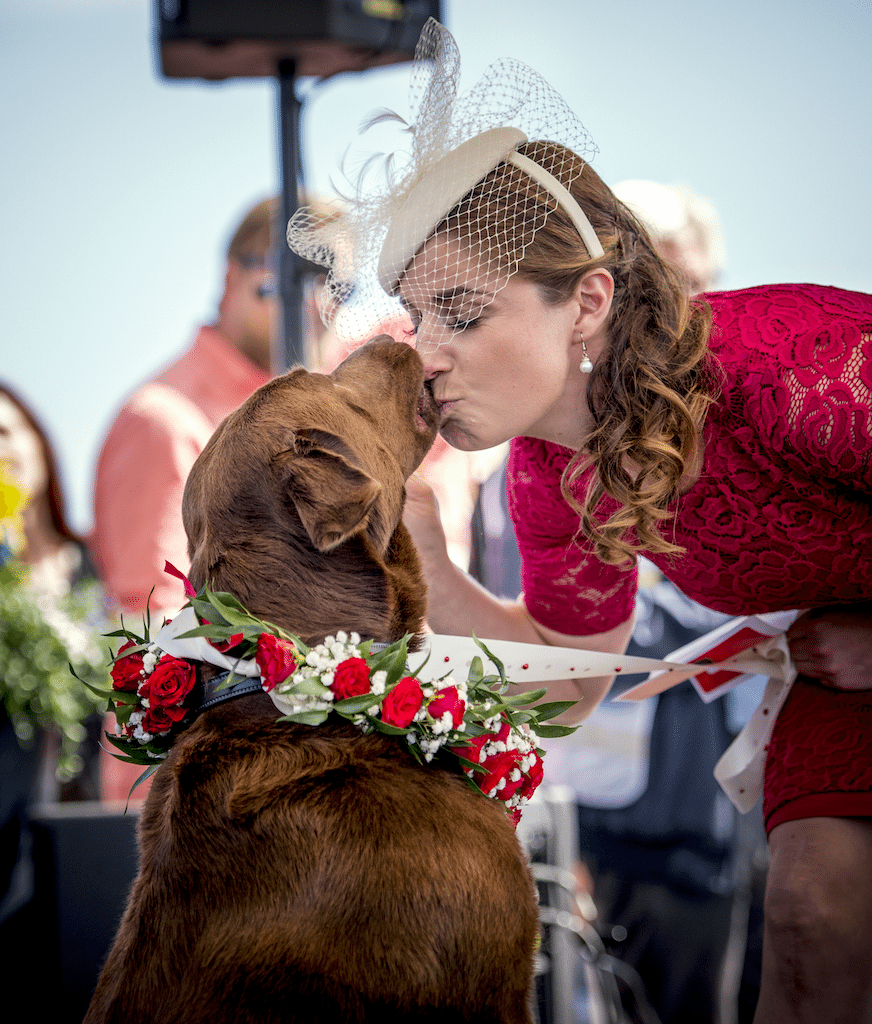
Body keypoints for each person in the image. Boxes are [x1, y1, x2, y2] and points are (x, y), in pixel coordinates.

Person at [287, 20, 872, 1024]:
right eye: (416, 315)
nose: (423, 351)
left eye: (461, 313)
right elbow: (564, 690)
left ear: (588, 302)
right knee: (811, 917)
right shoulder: (548, 471)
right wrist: (423, 542)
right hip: (841, 674)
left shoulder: (784, 366)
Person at [91, 197, 278, 622]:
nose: (315, 300)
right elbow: (152, 630)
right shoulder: (162, 423)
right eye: (281, 278)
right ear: (233, 278)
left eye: (336, 282)